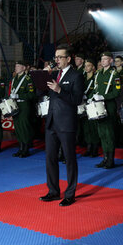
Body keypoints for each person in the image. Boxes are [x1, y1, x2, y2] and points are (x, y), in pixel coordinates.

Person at [40, 47, 84, 206]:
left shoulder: (76, 75)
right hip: (51, 122)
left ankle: (70, 194)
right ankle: (53, 191)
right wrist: (42, 76)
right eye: (56, 57)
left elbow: (77, 100)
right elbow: (39, 93)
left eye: (60, 57)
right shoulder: (52, 74)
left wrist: (59, 90)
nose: (57, 60)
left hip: (66, 122)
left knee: (69, 159)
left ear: (68, 59)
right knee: (50, 158)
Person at [92, 52, 121, 169]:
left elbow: (117, 92)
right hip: (99, 107)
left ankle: (111, 159)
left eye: (105, 59)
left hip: (109, 107)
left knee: (109, 134)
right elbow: (95, 89)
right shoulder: (98, 74)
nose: (103, 61)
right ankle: (105, 158)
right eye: (102, 59)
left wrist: (104, 96)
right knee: (102, 134)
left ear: (111, 61)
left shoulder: (114, 75)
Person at [10, 59, 36, 158]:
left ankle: (26, 149)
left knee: (24, 127)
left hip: (24, 105)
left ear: (24, 68)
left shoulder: (28, 79)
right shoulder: (14, 79)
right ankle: (20, 147)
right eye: (15, 66)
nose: (16, 68)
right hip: (15, 105)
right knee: (17, 127)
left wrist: (19, 96)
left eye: (18, 66)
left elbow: (32, 95)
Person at [81, 58, 100, 157]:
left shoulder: (96, 77)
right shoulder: (82, 77)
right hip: (83, 104)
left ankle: (95, 148)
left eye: (88, 65)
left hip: (92, 104)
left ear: (93, 67)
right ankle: (88, 147)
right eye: (85, 65)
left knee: (93, 127)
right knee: (86, 127)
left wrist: (90, 97)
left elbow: (97, 89)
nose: (86, 67)